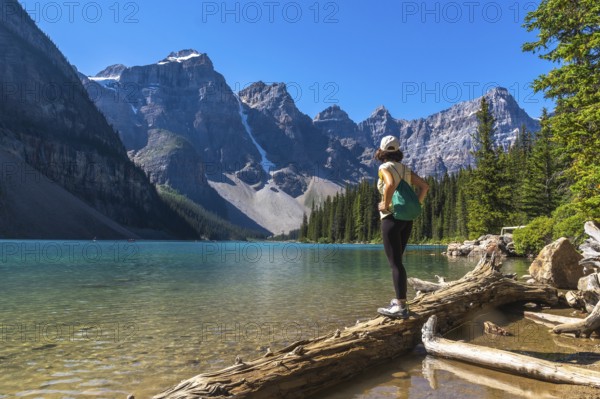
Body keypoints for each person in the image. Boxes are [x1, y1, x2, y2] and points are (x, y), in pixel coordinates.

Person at [375, 135, 429, 318]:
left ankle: (400, 307)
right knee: (398, 261)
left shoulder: (384, 167)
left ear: (381, 151)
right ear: (397, 151)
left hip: (391, 218)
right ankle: (401, 302)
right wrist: (416, 204)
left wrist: (386, 203)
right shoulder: (405, 169)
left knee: (395, 263)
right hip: (407, 219)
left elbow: (389, 184)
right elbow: (425, 187)